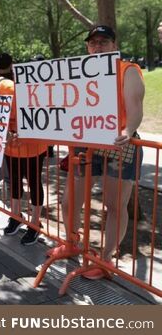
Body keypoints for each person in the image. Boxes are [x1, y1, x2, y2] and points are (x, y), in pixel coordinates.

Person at [52, 25, 145, 280]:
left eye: (104, 41)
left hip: (119, 146)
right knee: (69, 201)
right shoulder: (79, 74)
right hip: (86, 145)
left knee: (115, 206)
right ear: (87, 47)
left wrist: (129, 130)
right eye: (93, 42)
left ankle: (105, 261)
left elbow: (134, 106)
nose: (98, 46)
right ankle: (73, 243)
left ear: (114, 45)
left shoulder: (128, 70)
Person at [0, 59, 47, 245]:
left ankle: (35, 223)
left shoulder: (7, 86)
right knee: (13, 181)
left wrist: (19, 132)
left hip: (31, 144)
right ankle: (15, 216)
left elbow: (31, 108)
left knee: (33, 182)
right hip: (10, 146)